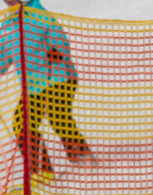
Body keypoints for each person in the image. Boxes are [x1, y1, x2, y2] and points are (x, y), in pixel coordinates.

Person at [0, 0, 91, 184]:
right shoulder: (7, 24)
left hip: (58, 77)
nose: (9, 2)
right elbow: (4, 55)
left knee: (58, 118)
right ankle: (42, 171)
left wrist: (56, 52)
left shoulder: (41, 16)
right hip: (33, 86)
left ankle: (84, 161)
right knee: (22, 125)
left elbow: (60, 41)